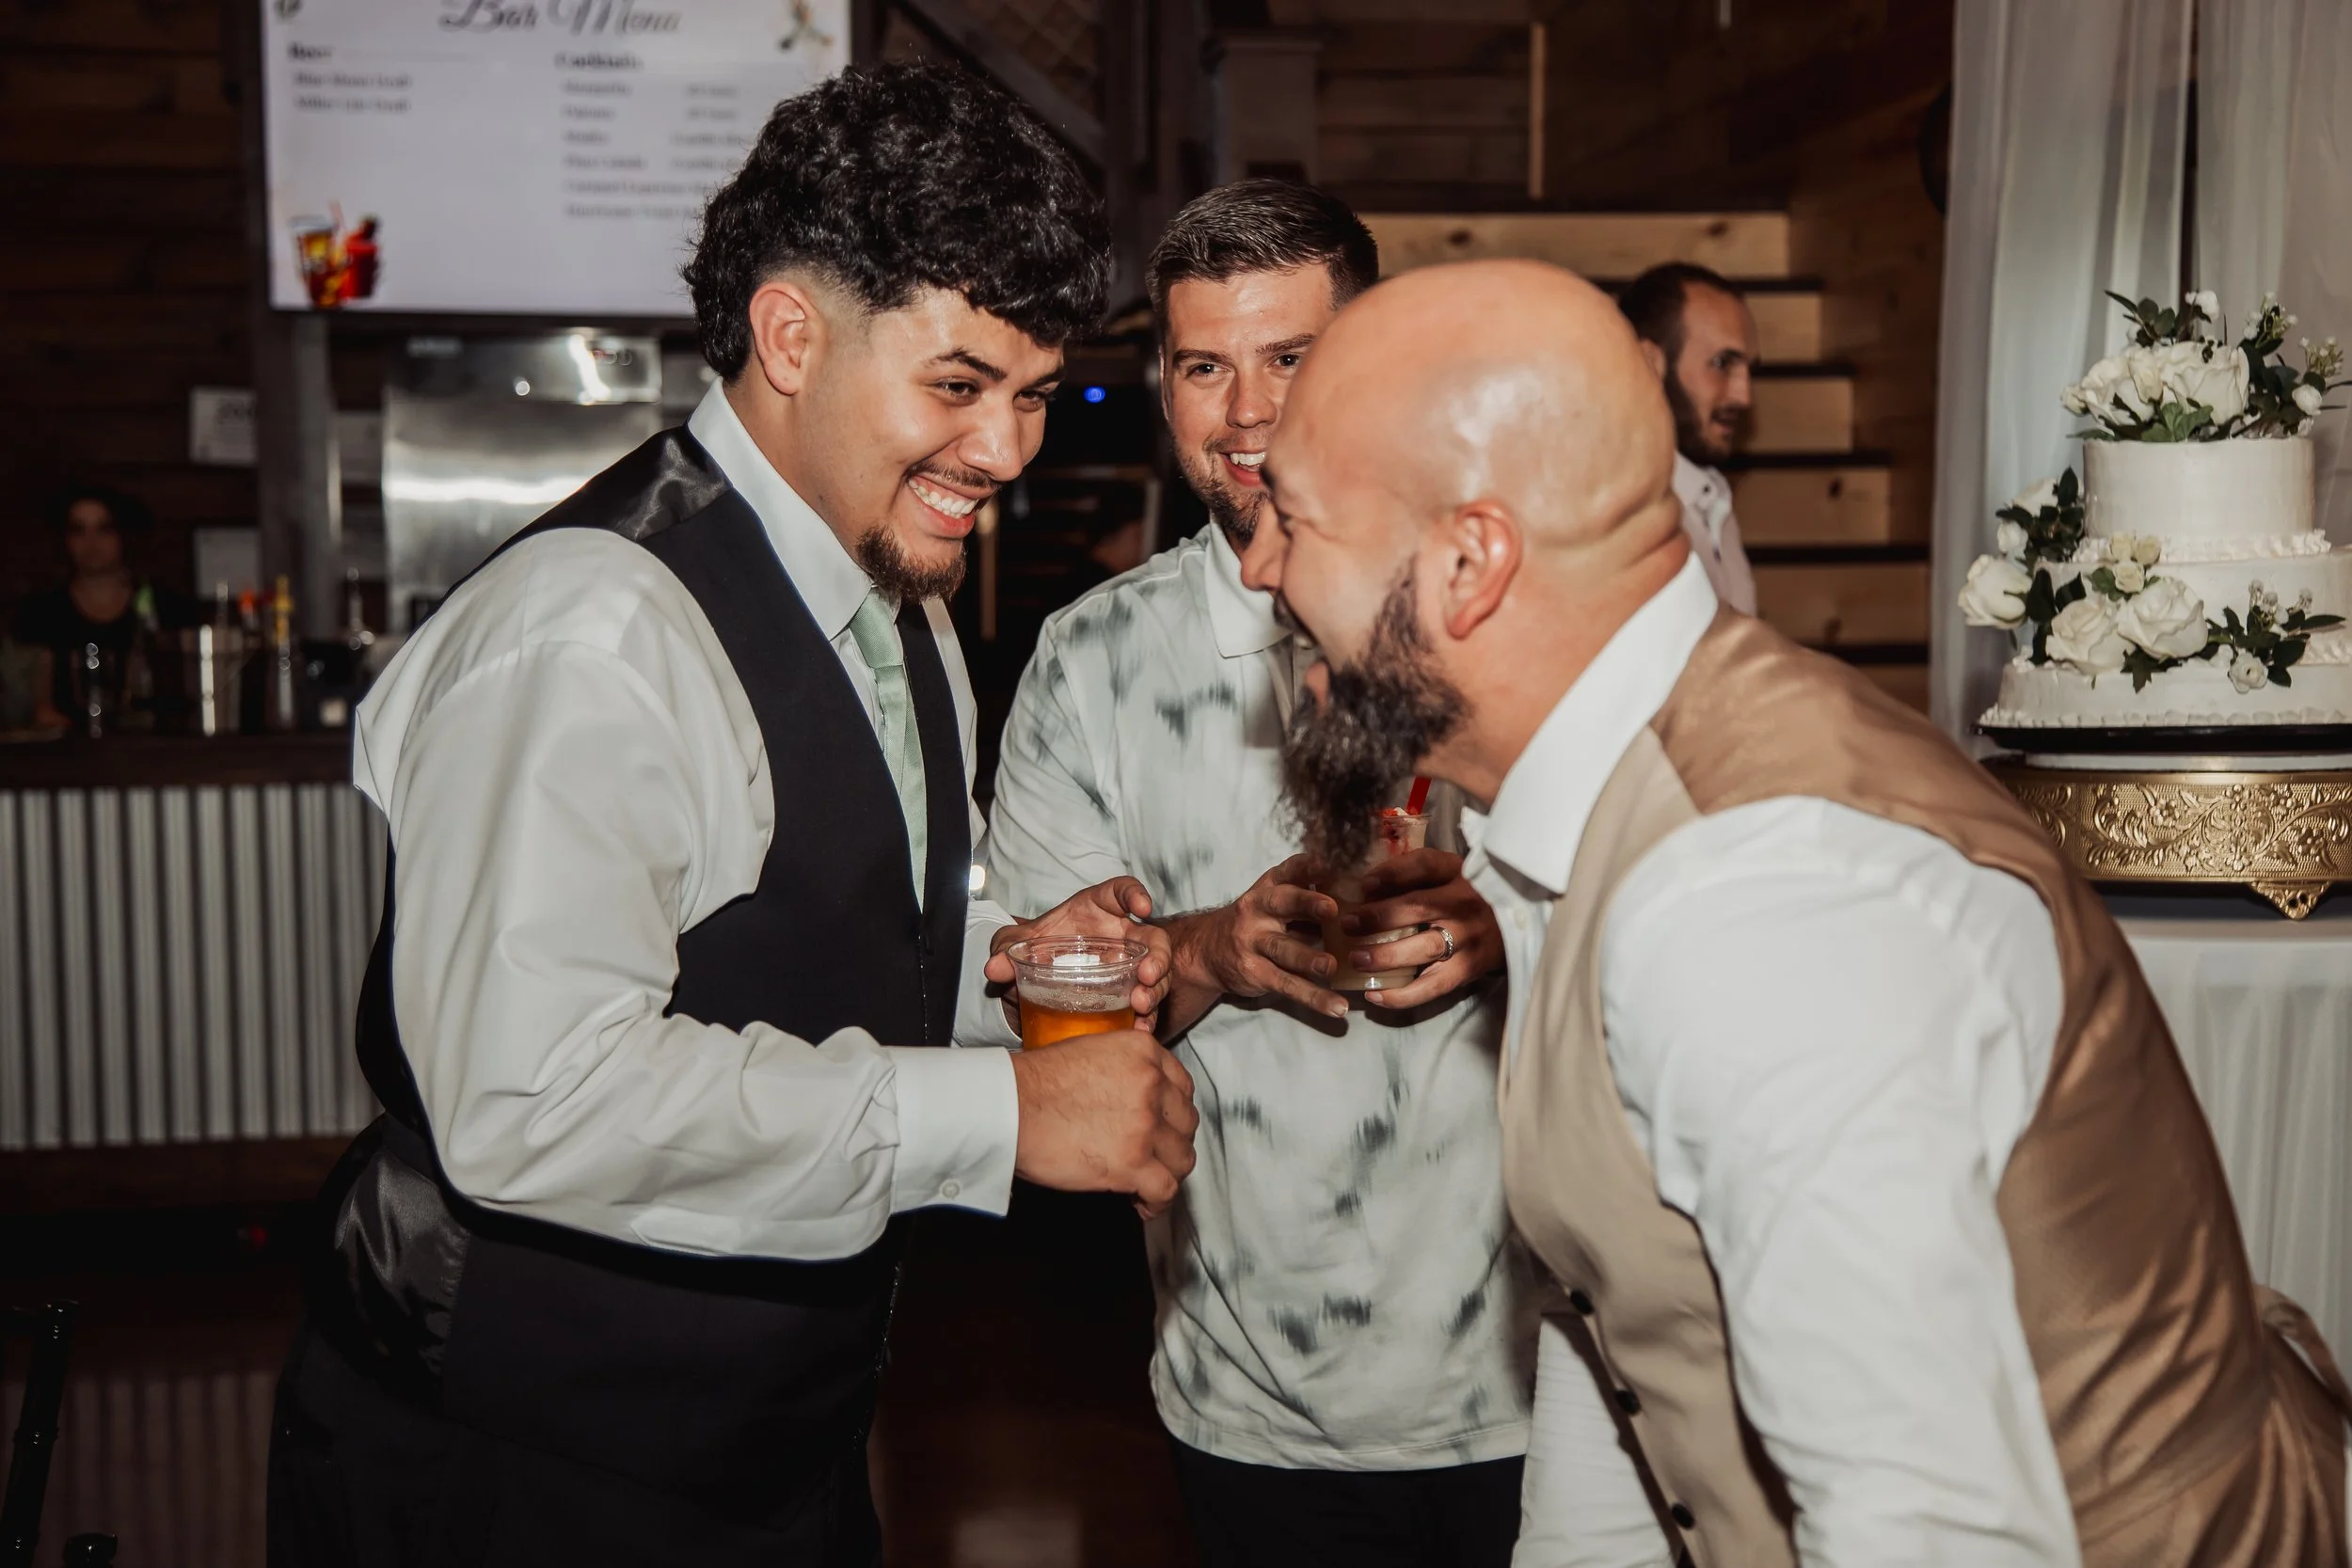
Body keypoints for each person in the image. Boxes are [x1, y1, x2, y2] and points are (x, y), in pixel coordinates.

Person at [1257, 257, 2350, 1566]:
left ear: (1467, 563)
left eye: (1297, 516)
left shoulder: (1761, 903)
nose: (1262, 564)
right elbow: (1628, 1302)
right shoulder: (1581, 783)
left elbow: (1934, 1537)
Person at [267, 63, 1199, 1568]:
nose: (1011, 451)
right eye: (958, 385)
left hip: (779, 1443)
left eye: (1029, 396)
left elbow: (831, 932)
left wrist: (1010, 971)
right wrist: (1005, 1113)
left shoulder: (904, 606)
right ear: (788, 333)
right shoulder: (595, 630)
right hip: (521, 1463)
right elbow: (536, 1097)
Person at [982, 181, 1533, 1568]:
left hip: (1559, 1365)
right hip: (1255, 1387)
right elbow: (1047, 1033)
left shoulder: (1510, 596)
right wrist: (1211, 947)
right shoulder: (1091, 660)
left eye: (1290, 357)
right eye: (1203, 365)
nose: (1244, 413)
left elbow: (1683, 919)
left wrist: (1516, 926)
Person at [1617, 261, 1758, 613]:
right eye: (1722, 363)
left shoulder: (1711, 499)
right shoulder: (1613, 514)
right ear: (1650, 363)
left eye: (1750, 370)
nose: (1744, 396)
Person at [11, 483, 193, 718]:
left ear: (124, 536)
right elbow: (33, 701)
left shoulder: (166, 606)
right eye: (78, 530)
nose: (91, 543)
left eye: (103, 529)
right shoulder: (40, 611)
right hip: (64, 748)